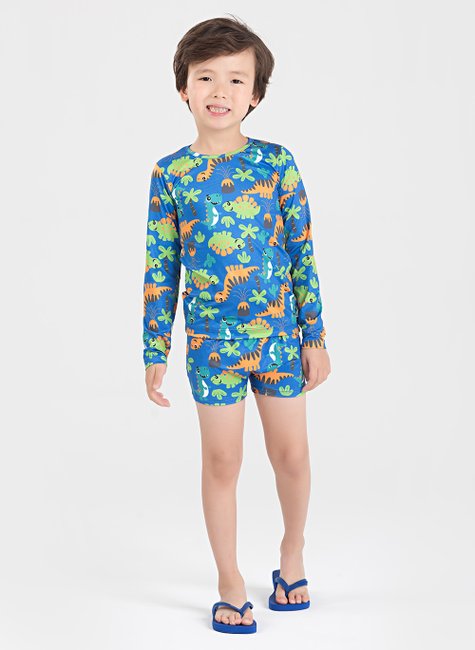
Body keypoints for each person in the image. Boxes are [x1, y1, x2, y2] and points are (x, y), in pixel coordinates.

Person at [142, 15, 331, 634]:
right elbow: (161, 266)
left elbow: (301, 250)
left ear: (255, 94)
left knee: (292, 456)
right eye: (205, 77)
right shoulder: (170, 174)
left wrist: (314, 336)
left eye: (235, 79)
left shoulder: (277, 164)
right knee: (222, 462)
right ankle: (229, 580)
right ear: (184, 89)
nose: (219, 90)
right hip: (212, 347)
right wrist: (154, 349)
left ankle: (291, 554)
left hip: (278, 341)